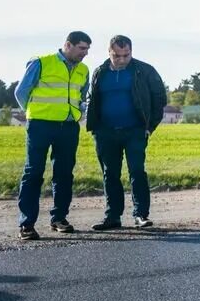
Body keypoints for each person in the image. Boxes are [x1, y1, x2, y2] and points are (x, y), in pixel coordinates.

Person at [13, 31, 92, 240]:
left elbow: (81, 96)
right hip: (40, 125)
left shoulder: (84, 70)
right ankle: (26, 224)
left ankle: (59, 219)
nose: (85, 53)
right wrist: (32, 113)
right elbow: (21, 92)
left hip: (68, 127)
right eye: (82, 48)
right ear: (68, 44)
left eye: (87, 49)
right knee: (33, 173)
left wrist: (78, 113)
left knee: (64, 174)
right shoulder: (41, 62)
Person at [85, 35, 167, 231]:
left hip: (135, 131)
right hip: (105, 132)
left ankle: (140, 215)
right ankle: (112, 216)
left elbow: (159, 99)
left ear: (131, 51)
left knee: (137, 172)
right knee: (110, 174)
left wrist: (149, 127)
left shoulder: (144, 70)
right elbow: (91, 98)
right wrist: (95, 127)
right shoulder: (100, 72)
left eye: (126, 55)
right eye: (116, 56)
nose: (121, 59)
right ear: (109, 52)